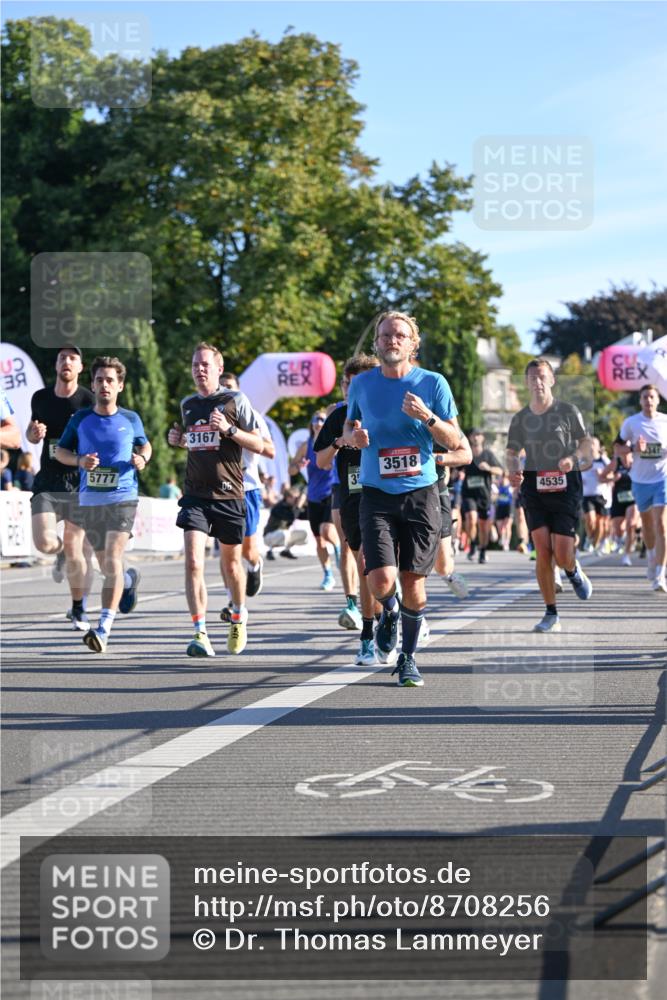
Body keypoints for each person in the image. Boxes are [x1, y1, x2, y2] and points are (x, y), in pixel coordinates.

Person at [343, 310, 466, 687]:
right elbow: (350, 425)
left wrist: (428, 417)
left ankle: (408, 658)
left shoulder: (433, 383)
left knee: (413, 581)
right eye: (384, 335)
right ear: (376, 343)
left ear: (413, 344)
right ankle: (390, 612)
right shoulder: (363, 384)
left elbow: (456, 442)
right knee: (380, 578)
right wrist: (353, 438)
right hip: (377, 492)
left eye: (400, 335)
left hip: (421, 493)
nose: (391, 340)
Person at [168, 343, 262, 657]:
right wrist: (180, 441)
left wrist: (230, 429)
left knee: (231, 564)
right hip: (195, 495)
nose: (200, 369)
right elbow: (197, 444)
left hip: (230, 494)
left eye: (206, 364)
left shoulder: (235, 400)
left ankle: (237, 614)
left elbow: (260, 444)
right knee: (193, 561)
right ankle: (199, 632)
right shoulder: (188, 404)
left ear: (218, 369)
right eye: (195, 364)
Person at [56, 356, 151, 652]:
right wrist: (80, 461)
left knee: (110, 556)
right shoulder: (81, 419)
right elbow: (60, 452)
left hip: (123, 498)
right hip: (90, 501)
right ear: (93, 384)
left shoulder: (131, 418)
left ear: (119, 385)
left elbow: (145, 444)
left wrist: (142, 458)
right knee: (105, 565)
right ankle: (127, 578)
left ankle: (103, 628)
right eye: (99, 380)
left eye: (110, 380)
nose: (104, 385)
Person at [506, 357, 593, 633]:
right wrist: (513, 470)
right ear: (526, 383)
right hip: (534, 487)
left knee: (563, 552)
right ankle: (551, 612)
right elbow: (511, 452)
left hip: (566, 485)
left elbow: (586, 444)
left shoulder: (567, 411)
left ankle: (572, 570)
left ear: (552, 379)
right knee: (542, 549)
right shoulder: (521, 418)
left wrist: (573, 457)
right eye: (532, 378)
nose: (538, 382)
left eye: (542, 377)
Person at [315, 353, 383, 662]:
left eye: (357, 386)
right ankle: (369, 632)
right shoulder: (336, 416)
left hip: (387, 494)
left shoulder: (385, 412)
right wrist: (340, 442)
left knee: (385, 568)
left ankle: (391, 617)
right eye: (346, 384)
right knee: (365, 563)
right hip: (353, 495)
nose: (349, 391)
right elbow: (320, 461)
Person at [26, 345, 96, 629]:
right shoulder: (40, 398)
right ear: (55, 366)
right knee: (43, 542)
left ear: (80, 368)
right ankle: (61, 555)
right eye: (62, 358)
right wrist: (33, 434)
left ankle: (78, 608)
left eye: (72, 358)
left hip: (78, 480)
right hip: (47, 479)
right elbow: (32, 435)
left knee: (75, 543)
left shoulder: (88, 400)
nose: (66, 362)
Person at [218, 371, 276, 619]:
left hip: (247, 488)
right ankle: (233, 601)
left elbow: (271, 451)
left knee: (247, 551)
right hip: (219, 490)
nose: (224, 391)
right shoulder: (209, 415)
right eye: (221, 387)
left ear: (239, 390)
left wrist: (234, 434)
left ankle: (255, 565)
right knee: (226, 550)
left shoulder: (251, 415)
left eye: (229, 387)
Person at [616, 384, 667, 593]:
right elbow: (617, 448)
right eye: (645, 397)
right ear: (640, 400)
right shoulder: (632, 423)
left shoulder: (665, 421)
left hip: (662, 479)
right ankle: (652, 556)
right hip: (639, 480)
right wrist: (632, 449)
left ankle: (661, 574)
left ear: (658, 400)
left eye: (652, 397)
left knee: (662, 525)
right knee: (646, 524)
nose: (648, 400)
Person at [289, 411, 340, 591]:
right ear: (311, 424)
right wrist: (298, 466)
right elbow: (291, 471)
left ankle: (340, 551)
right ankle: (328, 575)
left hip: (331, 492)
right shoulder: (306, 445)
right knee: (319, 541)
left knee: (326, 530)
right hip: (313, 495)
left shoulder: (332, 443)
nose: (318, 422)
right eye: (315, 419)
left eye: (322, 419)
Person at [461, 430, 503, 563]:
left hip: (484, 495)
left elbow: (501, 471)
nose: (475, 437)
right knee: (471, 518)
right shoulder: (466, 452)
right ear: (469, 438)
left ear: (482, 438)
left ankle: (483, 550)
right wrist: (457, 473)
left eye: (478, 435)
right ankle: (473, 543)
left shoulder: (488, 454)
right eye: (473, 435)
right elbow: (455, 466)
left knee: (484, 524)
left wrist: (489, 468)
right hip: (468, 493)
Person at [601, 447, 638, 566]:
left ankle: (626, 555)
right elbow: (601, 477)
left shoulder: (637, 461)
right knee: (619, 529)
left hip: (634, 498)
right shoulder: (615, 462)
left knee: (631, 524)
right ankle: (623, 539)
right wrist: (612, 478)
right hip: (618, 499)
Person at [263, 486, 309, 559]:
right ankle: (270, 551)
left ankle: (286, 551)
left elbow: (305, 516)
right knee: (284, 533)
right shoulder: (279, 507)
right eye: (295, 498)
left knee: (304, 534)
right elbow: (291, 517)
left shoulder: (293, 507)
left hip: (283, 534)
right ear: (288, 497)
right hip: (269, 535)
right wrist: (298, 505)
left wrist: (306, 503)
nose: (296, 500)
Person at [495, 473, 513, 551]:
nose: (503, 479)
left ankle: (507, 542)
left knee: (507, 525)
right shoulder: (497, 486)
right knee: (500, 527)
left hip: (508, 507)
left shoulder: (511, 486)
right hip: (500, 507)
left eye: (504, 477)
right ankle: (502, 537)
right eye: (501, 478)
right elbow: (493, 496)